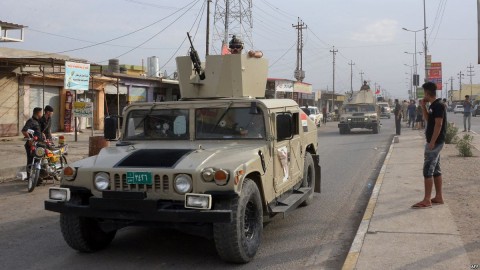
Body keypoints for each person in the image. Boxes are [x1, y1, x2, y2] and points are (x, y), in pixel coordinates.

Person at [412, 82, 447, 209]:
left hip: (435, 142)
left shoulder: (439, 105)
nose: (423, 95)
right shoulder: (433, 105)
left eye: (423, 92)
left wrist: (432, 142)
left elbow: (439, 124)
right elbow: (428, 120)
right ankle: (439, 197)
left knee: (427, 170)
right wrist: (423, 107)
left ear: (427, 92)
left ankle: (427, 200)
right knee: (436, 170)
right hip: (435, 142)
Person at [21, 107, 43, 180]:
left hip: (38, 144)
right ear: (38, 113)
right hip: (31, 144)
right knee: (31, 161)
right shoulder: (31, 121)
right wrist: (30, 139)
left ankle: (36, 176)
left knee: (38, 160)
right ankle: (30, 177)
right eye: (41, 113)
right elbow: (24, 131)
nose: (41, 114)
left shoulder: (37, 121)